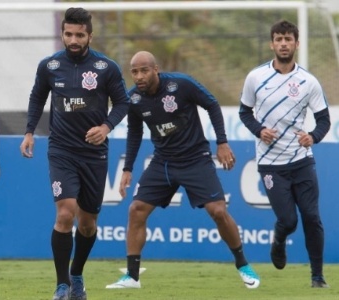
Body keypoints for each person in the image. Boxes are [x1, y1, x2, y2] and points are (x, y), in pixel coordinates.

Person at [105, 51, 260, 290]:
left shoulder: (181, 84)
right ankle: (132, 277)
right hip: (163, 162)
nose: (139, 76)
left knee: (218, 211)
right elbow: (134, 133)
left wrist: (222, 142)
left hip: (195, 159)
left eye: (144, 70)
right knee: (136, 210)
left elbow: (212, 104)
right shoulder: (133, 99)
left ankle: (243, 265)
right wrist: (127, 168)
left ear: (156, 69)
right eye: (134, 71)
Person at [19, 7, 129, 300]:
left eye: (80, 35)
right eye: (68, 34)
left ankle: (77, 273)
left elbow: (122, 104)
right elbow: (37, 96)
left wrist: (106, 127)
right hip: (61, 150)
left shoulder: (107, 68)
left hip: (94, 153)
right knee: (65, 212)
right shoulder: (50, 66)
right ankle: (62, 284)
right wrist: (29, 131)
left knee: (88, 222)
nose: (74, 39)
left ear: (90, 35)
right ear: (63, 33)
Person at [239, 20, 331, 288]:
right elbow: (245, 112)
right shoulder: (255, 78)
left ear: (296, 44)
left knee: (312, 217)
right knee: (289, 221)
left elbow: (324, 119)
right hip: (270, 164)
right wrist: (259, 130)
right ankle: (279, 240)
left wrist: (312, 137)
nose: (283, 43)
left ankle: (317, 276)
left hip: (301, 161)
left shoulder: (308, 81)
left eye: (288, 39)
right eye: (278, 39)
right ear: (271, 44)